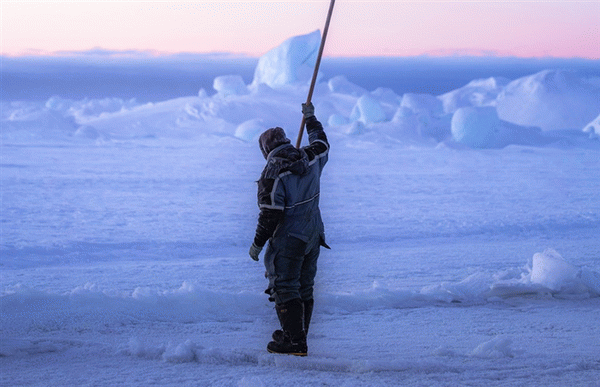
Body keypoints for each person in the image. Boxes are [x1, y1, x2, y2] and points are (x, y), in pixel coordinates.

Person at [249, 102, 330, 356]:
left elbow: (270, 214)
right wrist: (311, 119)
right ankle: (296, 333)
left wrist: (258, 243)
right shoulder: (311, 156)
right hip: (313, 233)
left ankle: (295, 343)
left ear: (266, 151)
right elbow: (323, 143)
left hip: (289, 239)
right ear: (286, 141)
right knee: (304, 286)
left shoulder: (271, 174)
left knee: (284, 286)